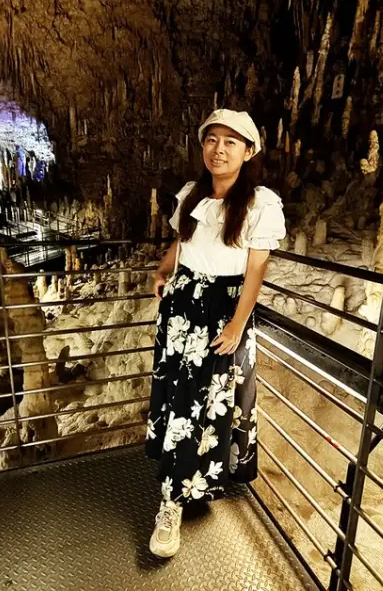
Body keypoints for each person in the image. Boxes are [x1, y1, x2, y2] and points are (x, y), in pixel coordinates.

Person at [145, 109, 286, 558]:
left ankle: (176, 497)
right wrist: (163, 270)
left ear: (248, 151)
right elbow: (182, 242)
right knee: (180, 398)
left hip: (223, 309)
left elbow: (256, 269)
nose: (218, 150)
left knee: (206, 402)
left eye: (230, 142)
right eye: (211, 140)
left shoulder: (260, 203)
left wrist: (238, 323)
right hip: (182, 306)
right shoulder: (192, 193)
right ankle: (175, 493)